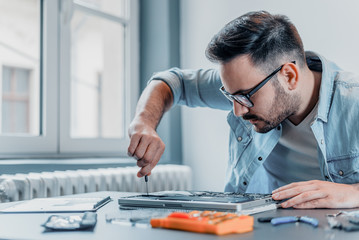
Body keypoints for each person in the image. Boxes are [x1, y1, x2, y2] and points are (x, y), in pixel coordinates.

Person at [127, 11, 359, 209]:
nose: (237, 111)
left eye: (246, 97)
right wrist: (144, 122)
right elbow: (171, 81)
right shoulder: (246, 82)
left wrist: (353, 193)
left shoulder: (353, 101)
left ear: (289, 76)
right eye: (230, 96)